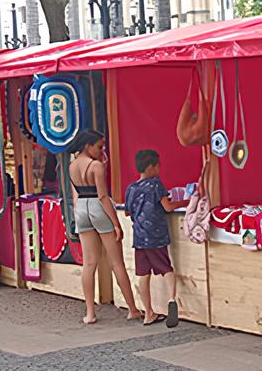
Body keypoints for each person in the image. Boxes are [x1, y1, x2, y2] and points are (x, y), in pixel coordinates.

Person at [68, 131, 144, 326]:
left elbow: (75, 193)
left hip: (81, 209)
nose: (102, 150)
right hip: (97, 207)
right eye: (99, 146)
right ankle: (132, 309)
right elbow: (103, 197)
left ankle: (90, 313)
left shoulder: (72, 165)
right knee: (116, 262)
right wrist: (116, 223)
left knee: (89, 264)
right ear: (88, 145)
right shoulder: (96, 166)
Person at [124, 147, 186, 328]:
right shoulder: (156, 184)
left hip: (139, 236)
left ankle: (148, 312)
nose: (159, 170)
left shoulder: (131, 188)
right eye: (158, 166)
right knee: (166, 268)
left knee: (143, 274)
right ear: (151, 167)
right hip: (156, 235)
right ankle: (172, 300)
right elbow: (167, 207)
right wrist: (187, 201)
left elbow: (128, 212)